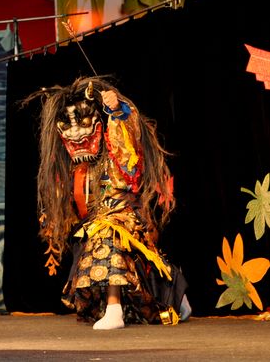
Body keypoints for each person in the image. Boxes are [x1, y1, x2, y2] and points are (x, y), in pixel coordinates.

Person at [25, 76, 190, 329]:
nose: (75, 133)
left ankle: (115, 310)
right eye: (67, 127)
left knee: (108, 232)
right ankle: (172, 296)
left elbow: (129, 137)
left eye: (83, 124)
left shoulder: (115, 154)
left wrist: (117, 109)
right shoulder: (76, 170)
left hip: (126, 222)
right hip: (96, 230)